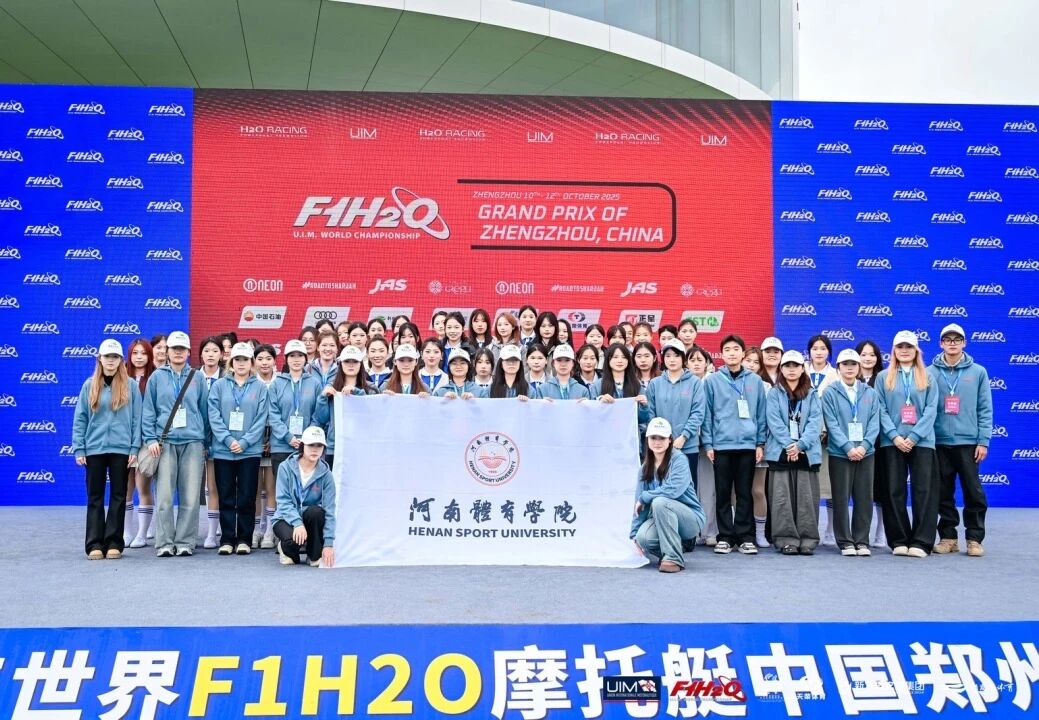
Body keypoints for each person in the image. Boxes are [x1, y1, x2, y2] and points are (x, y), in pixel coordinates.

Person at [73, 339, 142, 559]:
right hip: (94, 449)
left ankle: (114, 542)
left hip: (122, 449)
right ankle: (94, 543)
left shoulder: (131, 385)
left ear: (121, 360)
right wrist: (79, 448)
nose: (111, 361)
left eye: (115, 357)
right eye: (107, 357)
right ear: (99, 359)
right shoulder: (89, 385)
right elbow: (80, 418)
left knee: (119, 496)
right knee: (95, 497)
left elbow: (137, 419)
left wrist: (134, 447)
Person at [142, 331, 209, 558]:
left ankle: (185, 542)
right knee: (164, 497)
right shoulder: (156, 377)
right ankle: (164, 542)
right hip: (164, 443)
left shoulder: (197, 377)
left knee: (190, 497)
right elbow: (149, 411)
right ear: (167, 352)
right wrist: (151, 439)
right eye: (174, 349)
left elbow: (204, 411)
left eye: (182, 349)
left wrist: (205, 441)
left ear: (189, 352)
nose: (178, 352)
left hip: (193, 442)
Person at [930, 323, 992, 557]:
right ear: (941, 343)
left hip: (968, 443)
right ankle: (948, 538)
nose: (952, 343)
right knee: (942, 492)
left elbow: (985, 409)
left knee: (973, 492)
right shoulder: (929, 372)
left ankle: (974, 539)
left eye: (957, 339)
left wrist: (983, 441)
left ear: (964, 343)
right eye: (948, 339)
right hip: (938, 442)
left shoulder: (978, 372)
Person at [875, 331, 940, 558]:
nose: (904, 350)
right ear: (894, 350)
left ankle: (922, 542)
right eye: (900, 347)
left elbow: (931, 409)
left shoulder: (928, 376)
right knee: (893, 490)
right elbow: (880, 409)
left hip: (922, 441)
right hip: (892, 441)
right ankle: (899, 540)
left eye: (909, 347)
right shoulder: (883, 377)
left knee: (924, 491)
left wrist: (914, 436)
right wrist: (894, 436)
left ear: (916, 350)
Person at [702, 335, 768, 555]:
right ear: (722, 354)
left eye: (736, 349)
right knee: (722, 493)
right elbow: (707, 415)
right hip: (721, 445)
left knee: (744, 492)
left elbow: (761, 413)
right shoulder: (712, 380)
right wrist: (708, 444)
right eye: (727, 349)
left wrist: (760, 443)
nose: (732, 353)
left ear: (743, 353)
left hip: (748, 445)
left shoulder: (755, 381)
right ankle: (725, 537)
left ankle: (745, 536)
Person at [208, 343, 269, 555]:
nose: (241, 363)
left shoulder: (260, 387)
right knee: (225, 496)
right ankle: (227, 539)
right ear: (231, 362)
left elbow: (261, 418)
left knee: (246, 497)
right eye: (237, 359)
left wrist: (244, 442)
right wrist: (227, 440)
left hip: (249, 451)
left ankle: (244, 539)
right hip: (223, 451)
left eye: (245, 360)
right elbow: (213, 415)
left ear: (251, 363)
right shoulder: (219, 386)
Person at [647, 340, 707, 549]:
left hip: (686, 446)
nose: (672, 360)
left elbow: (698, 412)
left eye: (676, 355)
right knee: (663, 490)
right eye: (668, 356)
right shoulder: (655, 383)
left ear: (683, 358)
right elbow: (651, 413)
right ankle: (666, 535)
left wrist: (683, 437)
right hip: (660, 449)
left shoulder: (695, 383)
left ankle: (688, 537)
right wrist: (660, 439)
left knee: (685, 490)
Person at [822, 349, 882, 557]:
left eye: (853, 364)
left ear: (859, 367)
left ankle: (861, 540)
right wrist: (848, 447)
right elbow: (831, 423)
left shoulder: (870, 392)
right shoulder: (830, 392)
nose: (849, 368)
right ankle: (845, 541)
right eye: (845, 364)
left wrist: (864, 446)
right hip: (840, 453)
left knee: (864, 498)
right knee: (840, 498)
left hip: (866, 453)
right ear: (838, 368)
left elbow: (874, 422)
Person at [764, 350, 823, 555]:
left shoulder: (812, 394)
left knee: (806, 498)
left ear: (802, 369)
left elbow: (815, 422)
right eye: (787, 366)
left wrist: (800, 445)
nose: (791, 369)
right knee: (782, 499)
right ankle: (786, 540)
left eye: (795, 366)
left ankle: (808, 539)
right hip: (780, 451)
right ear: (781, 369)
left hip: (807, 452)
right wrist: (790, 445)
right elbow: (773, 421)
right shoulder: (774, 393)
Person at [630, 418, 706, 573]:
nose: (657, 442)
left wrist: (646, 496)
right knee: (643, 537)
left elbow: (673, 490)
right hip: (662, 519)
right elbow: (639, 507)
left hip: (690, 518)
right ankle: (673, 549)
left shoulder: (679, 460)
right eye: (653, 437)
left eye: (662, 438)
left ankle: (673, 558)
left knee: (660, 502)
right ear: (647, 440)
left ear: (670, 440)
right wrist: (634, 536)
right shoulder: (644, 469)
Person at [266, 339, 323, 548]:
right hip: (282, 446)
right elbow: (273, 414)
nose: (296, 359)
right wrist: (288, 437)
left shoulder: (314, 383)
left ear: (305, 358)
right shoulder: (277, 384)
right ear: (286, 359)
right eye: (292, 356)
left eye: (300, 356)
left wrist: (307, 440)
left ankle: (306, 537)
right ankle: (286, 537)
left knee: (307, 493)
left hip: (308, 448)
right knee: (285, 492)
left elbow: (318, 414)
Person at [273, 426, 336, 567]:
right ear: (302, 446)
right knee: (290, 550)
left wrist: (328, 544)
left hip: (310, 517)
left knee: (317, 512)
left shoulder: (326, 474)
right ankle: (286, 549)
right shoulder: (285, 467)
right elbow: (283, 501)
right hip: (285, 517)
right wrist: (297, 523)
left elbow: (330, 510)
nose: (315, 449)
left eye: (319, 445)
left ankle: (314, 555)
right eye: (311, 445)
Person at [315, 345, 379, 469]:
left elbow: (372, 418)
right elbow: (322, 418)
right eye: (347, 361)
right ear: (340, 364)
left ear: (360, 364)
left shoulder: (371, 389)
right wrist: (322, 398)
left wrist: (357, 392)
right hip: (335, 446)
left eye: (355, 361)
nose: (351, 365)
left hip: (362, 446)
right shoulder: (331, 388)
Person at [806, 334, 840, 547]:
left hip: (828, 438)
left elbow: (838, 407)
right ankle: (810, 529)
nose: (819, 352)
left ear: (829, 352)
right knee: (809, 487)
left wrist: (827, 429)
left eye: (823, 348)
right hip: (805, 438)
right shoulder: (800, 371)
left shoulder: (836, 375)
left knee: (829, 486)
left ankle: (830, 530)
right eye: (815, 348)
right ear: (809, 351)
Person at [855, 339, 888, 548]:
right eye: (863, 354)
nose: (867, 358)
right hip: (852, 444)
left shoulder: (884, 379)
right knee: (857, 490)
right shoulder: (848, 378)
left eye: (872, 354)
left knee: (880, 487)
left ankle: (880, 531)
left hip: (879, 442)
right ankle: (859, 532)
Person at [685, 345, 718, 545]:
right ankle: (691, 530)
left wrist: (709, 441)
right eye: (692, 360)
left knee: (708, 488)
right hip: (686, 443)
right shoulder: (683, 383)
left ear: (707, 363)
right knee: (689, 488)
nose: (696, 364)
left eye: (700, 360)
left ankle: (709, 531)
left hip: (707, 444)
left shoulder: (713, 383)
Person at [125, 338, 154, 547]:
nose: (139, 357)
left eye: (143, 353)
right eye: (135, 353)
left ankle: (142, 534)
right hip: (123, 440)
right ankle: (126, 533)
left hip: (146, 440)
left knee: (143, 486)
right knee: (125, 488)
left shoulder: (155, 378)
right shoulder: (121, 377)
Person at [197, 336, 225, 549]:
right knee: (197, 487)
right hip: (196, 438)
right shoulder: (192, 377)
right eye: (207, 350)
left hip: (221, 440)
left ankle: (213, 533)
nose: (210, 355)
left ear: (222, 355)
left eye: (215, 351)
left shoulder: (228, 378)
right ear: (200, 354)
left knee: (214, 484)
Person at [594, 344, 652, 446]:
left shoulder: (636, 385)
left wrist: (644, 406)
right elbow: (592, 415)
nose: (620, 361)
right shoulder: (598, 385)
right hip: (605, 440)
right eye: (615, 357)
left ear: (628, 360)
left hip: (630, 440)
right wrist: (599, 402)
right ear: (608, 360)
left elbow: (642, 419)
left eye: (624, 357)